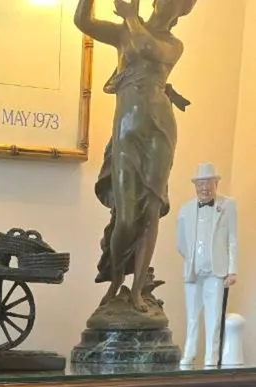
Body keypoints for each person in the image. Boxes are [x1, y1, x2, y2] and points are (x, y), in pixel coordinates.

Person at [74, 0, 196, 313]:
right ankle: (116, 281)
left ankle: (138, 288)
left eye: (181, 3)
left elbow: (147, 47)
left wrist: (130, 16)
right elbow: (82, 22)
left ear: (182, 12)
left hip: (159, 131)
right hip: (126, 130)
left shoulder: (172, 44)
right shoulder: (121, 33)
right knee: (126, 218)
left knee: (150, 212)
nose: (172, 4)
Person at [176, 163, 238, 367]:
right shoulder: (185, 209)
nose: (205, 188)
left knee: (213, 316)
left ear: (216, 183)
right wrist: (193, 259)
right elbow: (181, 243)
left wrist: (232, 270)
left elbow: (232, 239)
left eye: (209, 183)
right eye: (201, 183)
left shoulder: (227, 206)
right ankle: (189, 352)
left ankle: (211, 357)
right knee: (192, 315)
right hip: (194, 271)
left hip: (216, 271)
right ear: (195, 185)